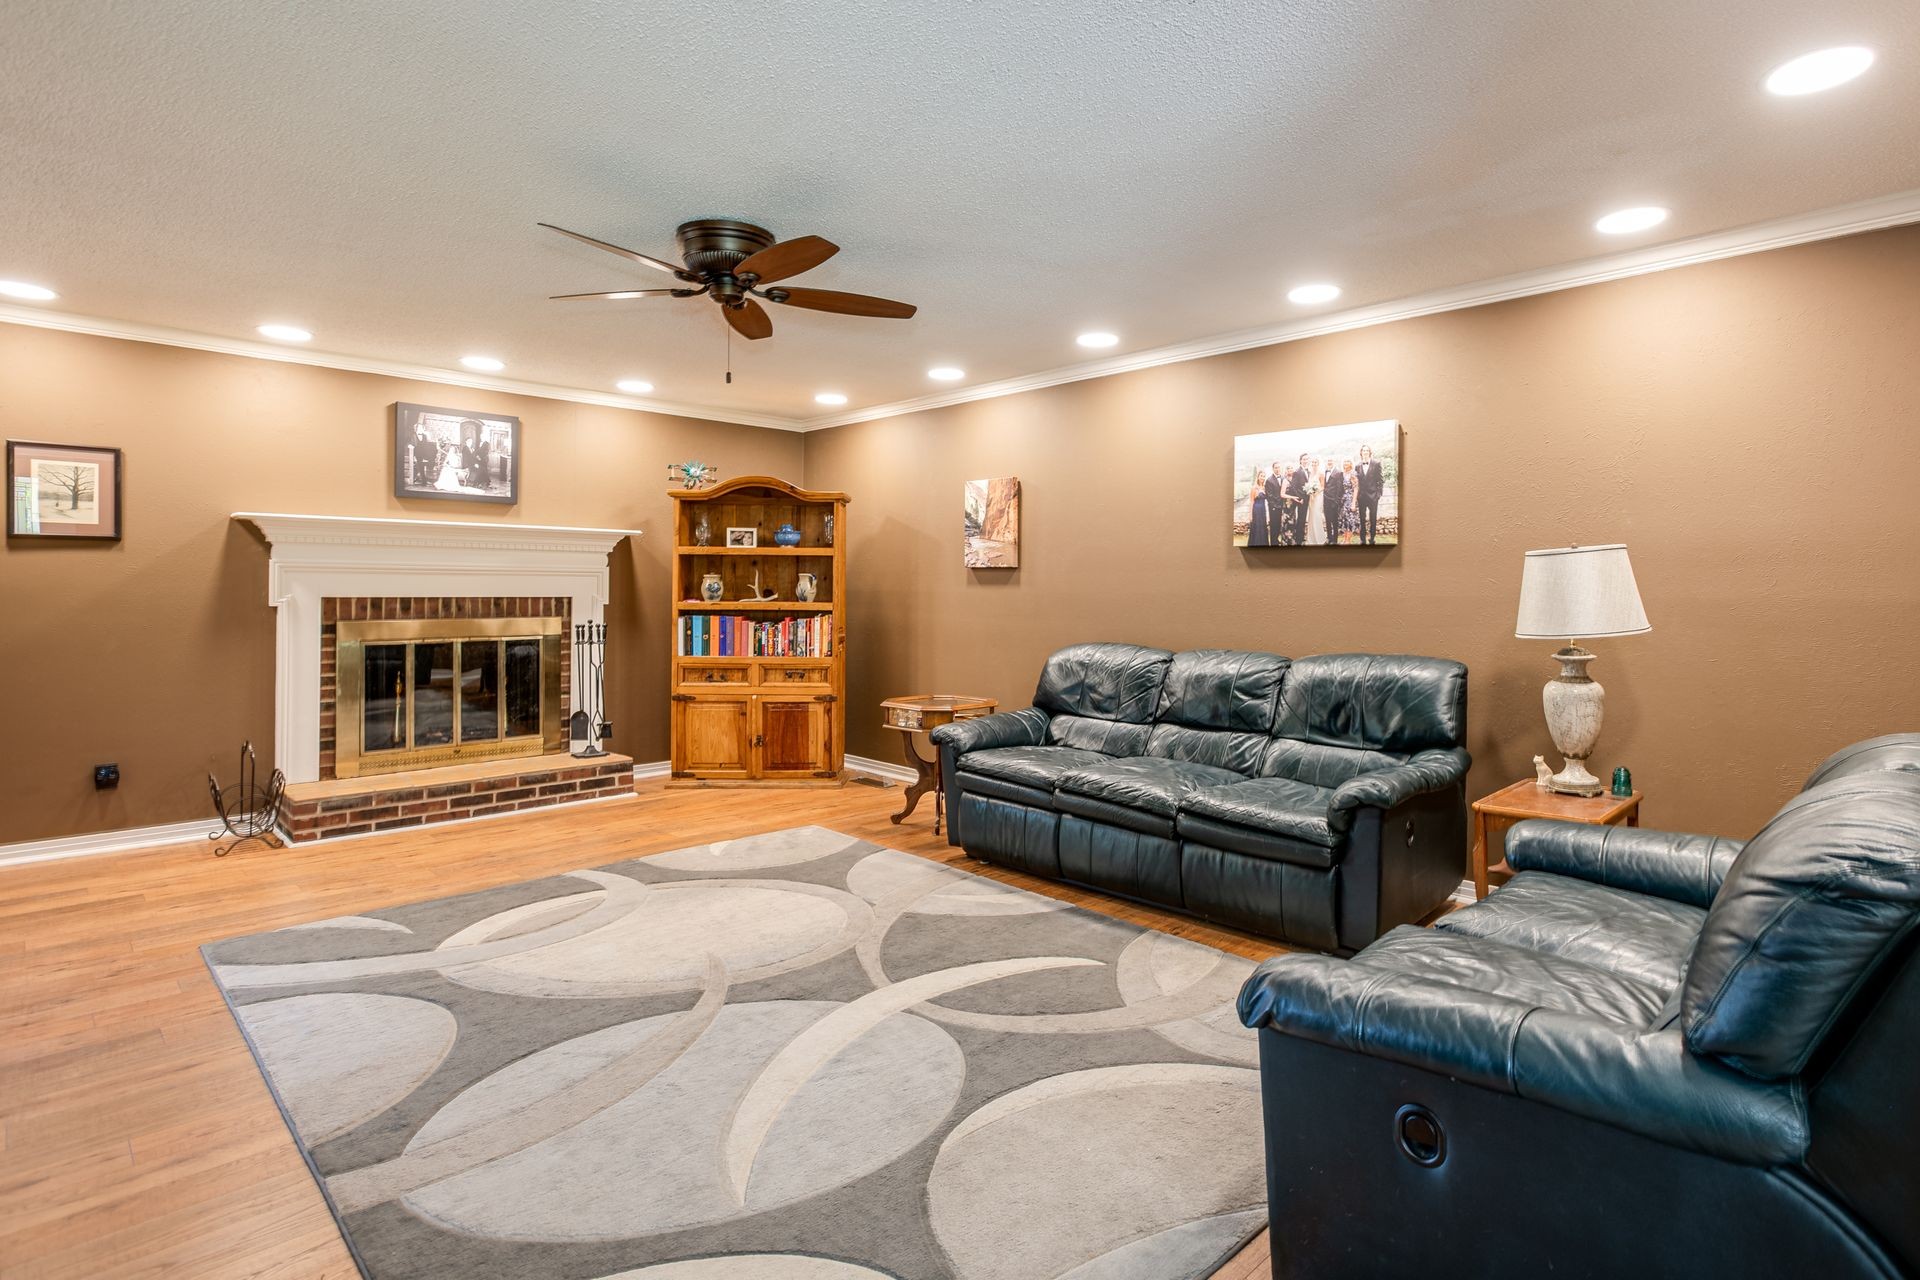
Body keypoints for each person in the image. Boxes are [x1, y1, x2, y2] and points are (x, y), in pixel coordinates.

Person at [1354, 444, 1385, 545]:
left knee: (1373, 518)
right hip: (1361, 497)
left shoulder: (1376, 464)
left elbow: (1380, 481)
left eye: (1367, 450)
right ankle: (1362, 539)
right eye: (1363, 451)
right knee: (1362, 519)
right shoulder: (1357, 466)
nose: (1365, 452)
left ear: (1370, 452)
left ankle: (1372, 538)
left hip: (1373, 497)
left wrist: (1378, 495)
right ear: (1361, 453)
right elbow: (1356, 481)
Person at [1284, 453, 1312, 545]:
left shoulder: (1308, 471)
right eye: (1304, 459)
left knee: (1303, 519)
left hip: (1307, 499)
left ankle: (1301, 537)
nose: (1305, 461)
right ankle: (1299, 540)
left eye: (1307, 459)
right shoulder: (1297, 472)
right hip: (1301, 500)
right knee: (1300, 519)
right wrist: (1300, 498)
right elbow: (1294, 487)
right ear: (1300, 460)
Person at [1319, 459, 1347, 545]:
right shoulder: (1324, 472)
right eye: (1328, 461)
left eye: (1331, 461)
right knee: (1327, 520)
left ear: (1333, 462)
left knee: (1334, 521)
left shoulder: (1338, 472)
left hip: (1334, 501)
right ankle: (1329, 538)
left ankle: (1335, 540)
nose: (1329, 462)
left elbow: (1340, 489)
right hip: (1326, 500)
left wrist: (1337, 502)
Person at [1304, 457, 1327, 546]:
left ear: (1318, 463)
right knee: (1311, 517)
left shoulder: (1321, 473)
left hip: (1318, 497)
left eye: (1315, 462)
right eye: (1312, 462)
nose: (1314, 463)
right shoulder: (1310, 473)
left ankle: (1320, 538)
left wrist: (1315, 491)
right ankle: (1311, 538)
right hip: (1311, 498)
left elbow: (1323, 486)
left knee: (1317, 516)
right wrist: (1310, 491)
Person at [1247, 467, 1272, 546]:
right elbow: (1251, 502)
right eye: (1261, 476)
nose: (1263, 477)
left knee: (1262, 526)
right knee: (1257, 526)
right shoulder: (1254, 488)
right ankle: (1255, 544)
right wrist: (1250, 515)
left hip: (1263, 510)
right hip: (1256, 510)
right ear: (1258, 477)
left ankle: (1263, 544)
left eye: (1264, 476)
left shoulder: (1264, 488)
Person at [1339, 459, 1361, 544]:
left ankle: (1348, 540)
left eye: (1347, 464)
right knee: (1344, 520)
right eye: (1344, 464)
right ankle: (1344, 539)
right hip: (1343, 500)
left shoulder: (1353, 474)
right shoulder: (1343, 474)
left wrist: (1353, 503)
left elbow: (1356, 489)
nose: (1345, 465)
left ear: (1351, 465)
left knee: (1350, 520)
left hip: (1351, 499)